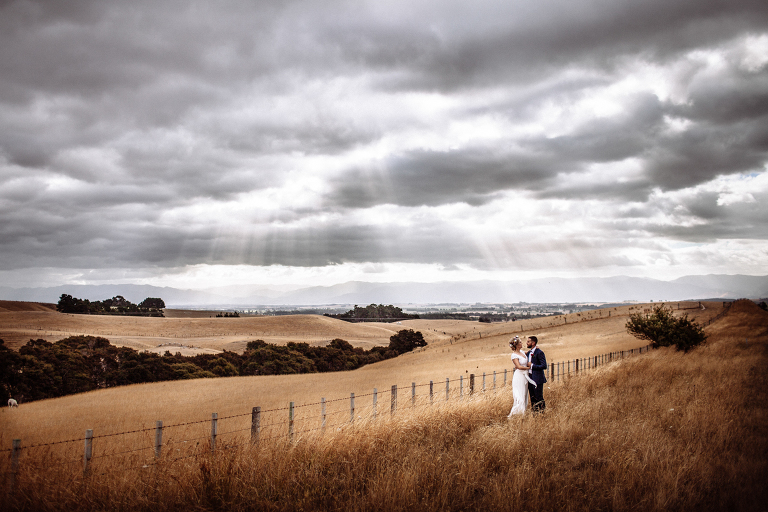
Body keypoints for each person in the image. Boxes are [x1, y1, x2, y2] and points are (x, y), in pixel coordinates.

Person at [507, 336, 535, 417]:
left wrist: (535, 347)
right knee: (520, 396)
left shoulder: (522, 352)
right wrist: (529, 367)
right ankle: (515, 414)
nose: (522, 343)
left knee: (525, 394)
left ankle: (522, 413)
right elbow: (518, 366)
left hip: (525, 376)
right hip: (519, 376)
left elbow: (531, 352)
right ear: (516, 345)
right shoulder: (514, 355)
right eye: (520, 342)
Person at [526, 335, 547, 413]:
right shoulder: (529, 353)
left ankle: (542, 413)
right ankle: (535, 414)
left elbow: (544, 365)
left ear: (533, 343)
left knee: (539, 397)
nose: (526, 343)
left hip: (538, 379)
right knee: (532, 398)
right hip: (530, 378)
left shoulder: (539, 352)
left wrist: (532, 365)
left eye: (528, 342)